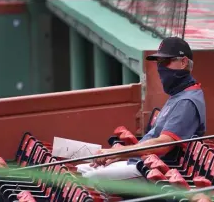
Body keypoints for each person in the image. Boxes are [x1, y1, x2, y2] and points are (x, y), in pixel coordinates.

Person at [76, 37, 206, 188]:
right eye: (158, 63)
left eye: (165, 62)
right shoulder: (179, 94)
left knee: (89, 178)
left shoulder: (187, 101)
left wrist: (122, 152)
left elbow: (163, 144)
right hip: (143, 162)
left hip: (154, 171)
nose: (160, 68)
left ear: (183, 62)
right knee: (80, 169)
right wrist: (120, 153)